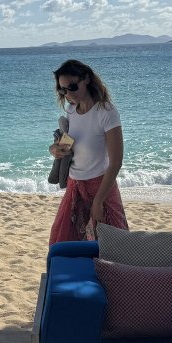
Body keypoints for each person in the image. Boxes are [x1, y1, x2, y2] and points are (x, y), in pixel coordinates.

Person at [47, 59, 128, 244]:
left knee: (111, 248)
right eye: (62, 90)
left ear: (87, 80)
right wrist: (54, 149)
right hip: (75, 187)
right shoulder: (71, 111)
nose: (67, 94)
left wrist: (99, 201)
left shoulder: (106, 112)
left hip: (101, 188)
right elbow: (68, 145)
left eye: (72, 87)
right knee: (62, 243)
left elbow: (116, 163)